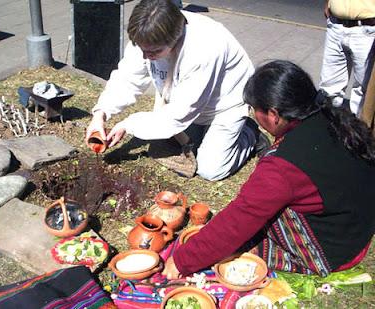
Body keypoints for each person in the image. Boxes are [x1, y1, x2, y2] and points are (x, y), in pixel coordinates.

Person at [163, 60, 375, 279]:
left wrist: (182, 261)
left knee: (249, 230)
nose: (254, 115)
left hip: (335, 250)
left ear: (274, 114)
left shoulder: (283, 165)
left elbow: (239, 218)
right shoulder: (329, 117)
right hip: (358, 228)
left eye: (254, 109)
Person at [85, 0, 268, 181]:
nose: (144, 57)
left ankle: (249, 134)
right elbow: (127, 78)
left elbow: (180, 113)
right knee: (168, 145)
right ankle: (204, 132)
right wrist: (100, 113)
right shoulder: (146, 35)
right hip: (187, 100)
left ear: (175, 38)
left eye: (153, 52)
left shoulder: (204, 49)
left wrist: (127, 124)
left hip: (224, 105)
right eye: (142, 49)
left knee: (210, 169)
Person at [319, 0, 375, 115]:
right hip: (336, 26)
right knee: (329, 87)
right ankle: (328, 125)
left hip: (366, 29)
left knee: (363, 89)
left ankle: (358, 129)